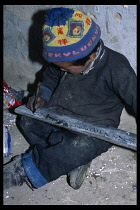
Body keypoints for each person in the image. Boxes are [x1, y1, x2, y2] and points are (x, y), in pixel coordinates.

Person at [4, 7, 137, 191]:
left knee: (78, 146)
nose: (61, 71)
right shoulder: (63, 62)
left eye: (66, 70)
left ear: (90, 57)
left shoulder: (117, 67)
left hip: (94, 129)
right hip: (59, 115)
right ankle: (70, 160)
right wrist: (42, 95)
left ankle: (23, 170)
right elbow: (50, 76)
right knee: (26, 120)